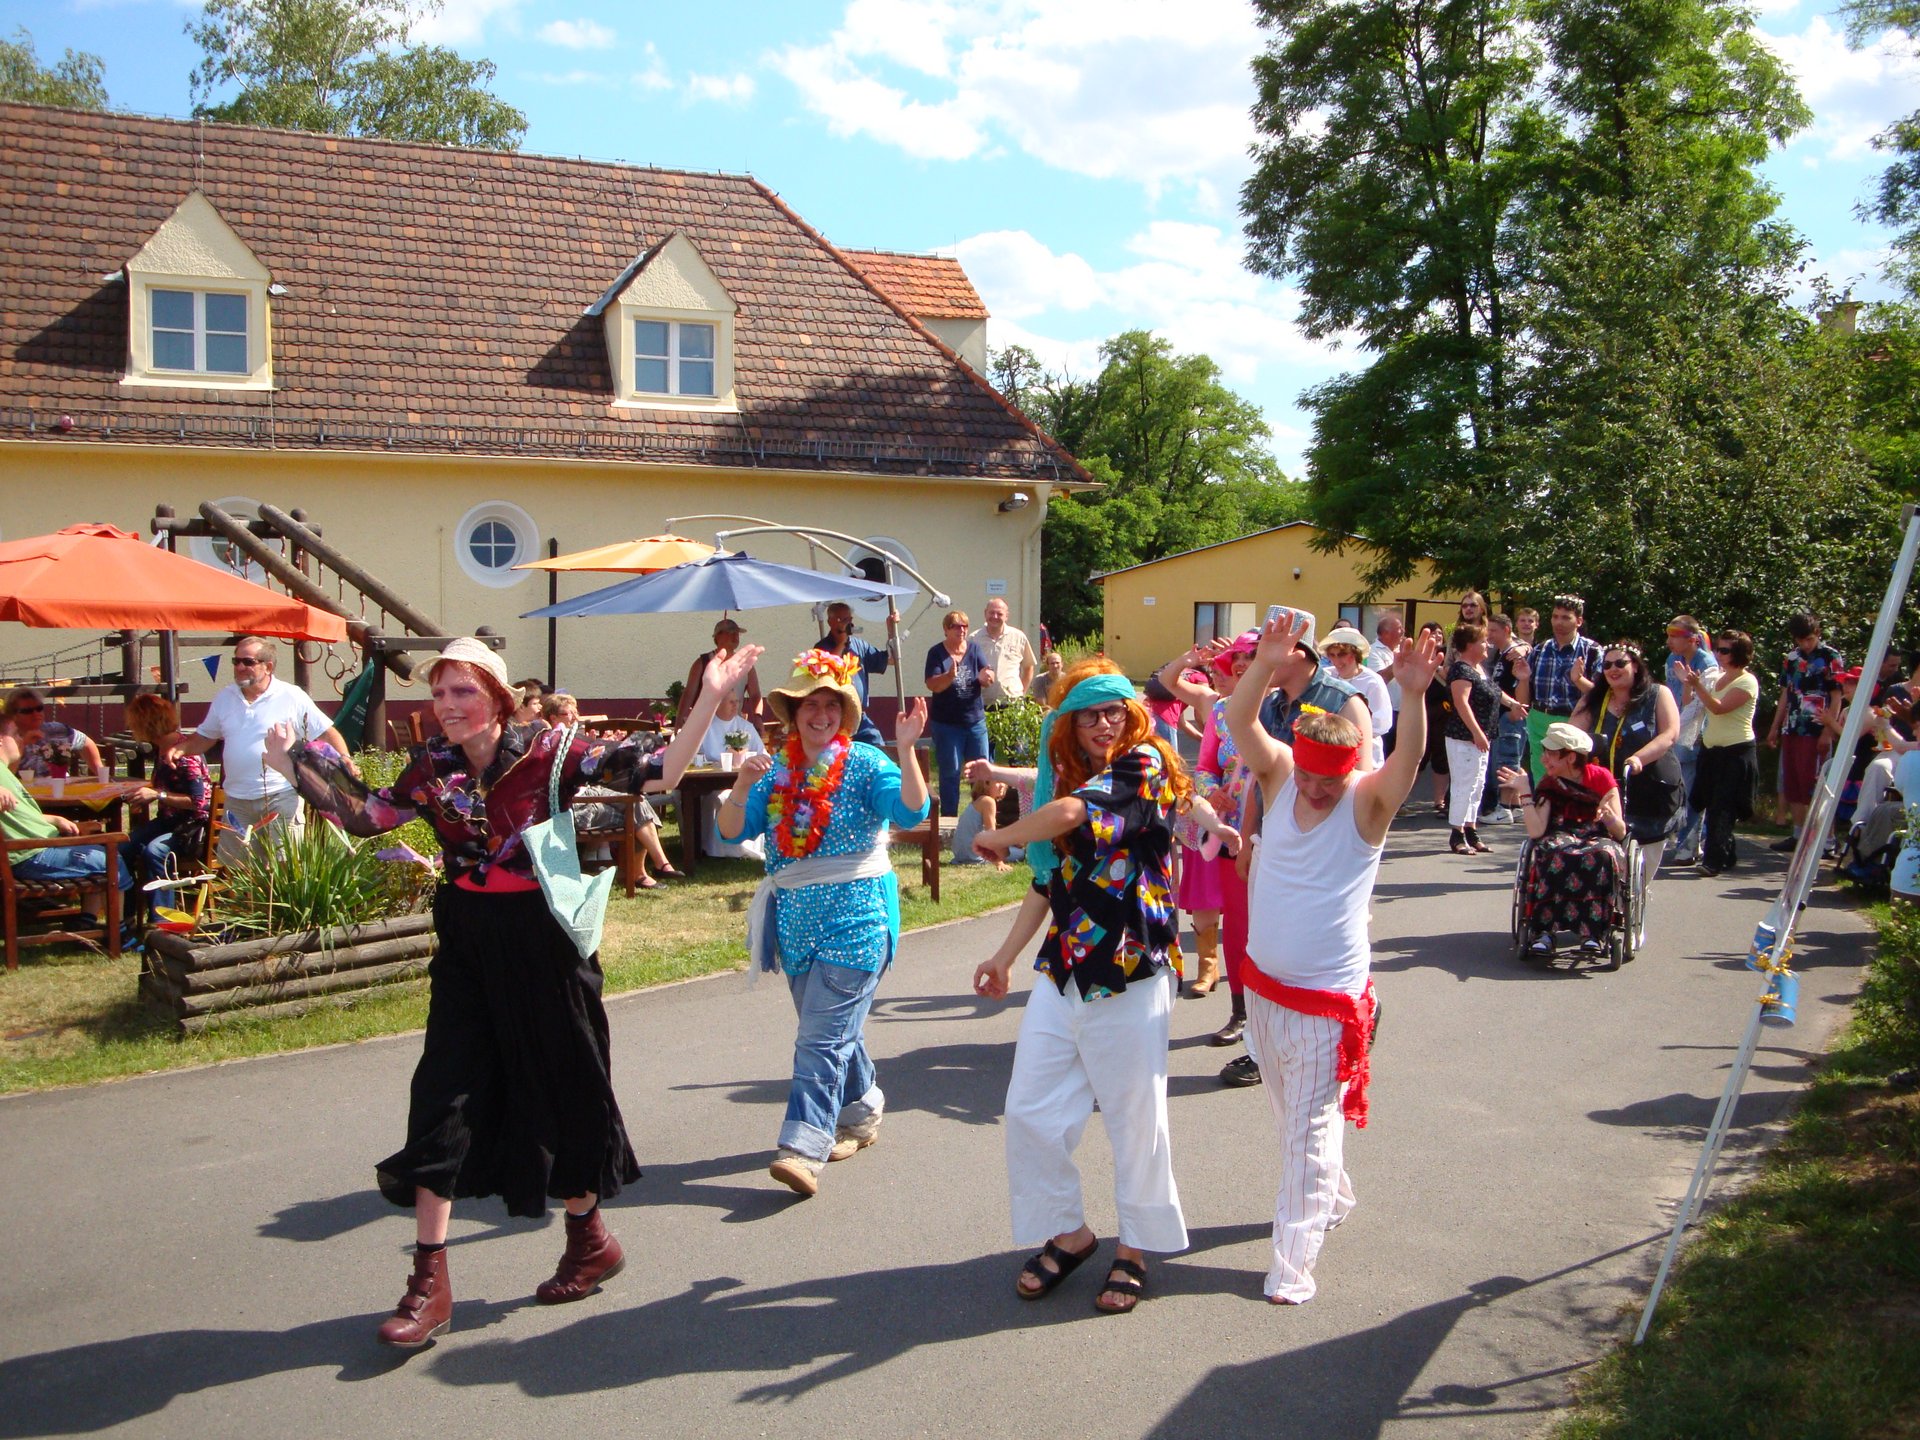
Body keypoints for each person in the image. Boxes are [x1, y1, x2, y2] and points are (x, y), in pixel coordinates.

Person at [265, 636, 759, 1348]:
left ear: (497, 698)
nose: (447, 707)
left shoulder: (553, 752)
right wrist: (296, 763)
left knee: (568, 1089)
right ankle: (428, 1282)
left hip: (544, 942)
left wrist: (710, 696)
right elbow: (369, 816)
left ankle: (588, 1236)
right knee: (443, 1097)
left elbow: (656, 776)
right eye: (438, 695)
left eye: (462, 692)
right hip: (468, 943)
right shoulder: (431, 765)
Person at [969, 657, 1238, 1315]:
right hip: (1064, 970)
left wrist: (997, 833)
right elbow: (1048, 882)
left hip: (1131, 968)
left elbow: (1065, 815)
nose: (1105, 722)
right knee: (1030, 1108)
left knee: (1133, 1118)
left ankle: (1136, 1249)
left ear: (1132, 714)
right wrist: (1003, 957)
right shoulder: (1068, 776)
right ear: (1067, 722)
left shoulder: (1139, 767)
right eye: (1091, 712)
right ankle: (1071, 1233)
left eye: (1115, 709)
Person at [1222, 609, 1440, 1304]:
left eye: (1330, 779)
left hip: (1325, 1005)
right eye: (1311, 776)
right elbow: (1237, 722)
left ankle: (1292, 1264)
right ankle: (1334, 1197)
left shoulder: (1366, 802)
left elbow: (1405, 763)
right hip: (1263, 991)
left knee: (1309, 1132)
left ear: (1349, 769)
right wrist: (1265, 661)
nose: (1316, 790)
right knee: (1294, 1122)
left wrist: (1411, 695)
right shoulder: (1282, 774)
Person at [718, 650, 930, 1197]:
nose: (820, 714)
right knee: (834, 1030)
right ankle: (860, 1113)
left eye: (830, 705)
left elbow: (911, 811)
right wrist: (741, 786)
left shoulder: (865, 761)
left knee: (818, 1038)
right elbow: (730, 830)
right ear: (793, 712)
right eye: (809, 704)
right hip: (796, 923)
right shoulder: (776, 768)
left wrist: (906, 751)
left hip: (859, 915)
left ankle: (802, 1148)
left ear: (844, 713)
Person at [1155, 632, 1262, 1009]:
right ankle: (1211, 969)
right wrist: (1211, 789)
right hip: (1217, 817)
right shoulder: (1217, 707)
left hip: (1266, 823)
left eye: (1242, 667)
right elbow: (1204, 765)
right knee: (1209, 895)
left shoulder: (1280, 707)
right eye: (1230, 667)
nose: (1223, 675)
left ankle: (1256, 981)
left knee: (1257, 907)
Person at [177, 638, 352, 859]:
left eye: (248, 662)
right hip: (237, 800)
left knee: (284, 868)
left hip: (279, 796)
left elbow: (326, 731)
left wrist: (344, 757)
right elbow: (205, 737)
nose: (240, 667)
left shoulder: (291, 695)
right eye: (236, 661)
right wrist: (181, 749)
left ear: (268, 666)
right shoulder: (225, 697)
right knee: (239, 872)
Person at [1572, 644, 1683, 945]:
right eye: (1607, 665)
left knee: (1642, 862)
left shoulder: (1657, 694)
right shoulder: (1594, 699)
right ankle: (1601, 911)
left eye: (1620, 663)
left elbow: (1670, 734)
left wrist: (1638, 758)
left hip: (1650, 786)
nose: (1612, 669)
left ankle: (1632, 912)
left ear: (1636, 665)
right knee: (1600, 852)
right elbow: (1572, 735)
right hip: (1603, 789)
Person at [1502, 723, 1630, 958]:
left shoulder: (1601, 778)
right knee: (1551, 852)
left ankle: (1592, 933)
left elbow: (1621, 833)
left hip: (1597, 835)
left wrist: (1609, 816)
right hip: (1560, 833)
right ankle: (1545, 931)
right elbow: (1536, 830)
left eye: (1550, 754)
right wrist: (1525, 793)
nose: (1544, 760)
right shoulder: (1549, 783)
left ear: (1570, 757)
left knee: (1603, 855)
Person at [541, 693, 682, 886]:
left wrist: (604, 745)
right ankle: (647, 871)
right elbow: (577, 772)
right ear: (553, 718)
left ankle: (653, 868)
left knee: (635, 800)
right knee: (634, 808)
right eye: (568, 713)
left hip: (589, 792)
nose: (574, 717)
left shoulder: (574, 738)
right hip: (572, 803)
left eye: (576, 712)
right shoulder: (551, 741)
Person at [0, 753, 134, 932]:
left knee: (97, 851)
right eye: (16, 734)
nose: (21, 739)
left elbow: (22, 816)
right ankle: (120, 933)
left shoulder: (4, 770)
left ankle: (86, 921)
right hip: (30, 855)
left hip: (37, 848)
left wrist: (54, 819)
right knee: (111, 860)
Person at [1681, 631, 1761, 876]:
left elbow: (1718, 708)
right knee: (1703, 799)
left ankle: (1713, 861)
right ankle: (1726, 852)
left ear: (1739, 654)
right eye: (1718, 649)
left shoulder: (1747, 682)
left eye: (1725, 651)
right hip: (1712, 749)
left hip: (1736, 752)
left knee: (1722, 806)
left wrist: (1697, 686)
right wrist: (1688, 683)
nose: (1718, 654)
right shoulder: (1717, 678)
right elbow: (1690, 704)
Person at [1766, 613, 1844, 852]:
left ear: (1817, 634)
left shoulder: (1831, 657)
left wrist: (1828, 732)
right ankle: (1798, 834)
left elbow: (1836, 696)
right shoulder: (1791, 658)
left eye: (1809, 639)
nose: (1806, 645)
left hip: (1817, 728)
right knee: (1794, 783)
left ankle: (1825, 839)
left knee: (1817, 784)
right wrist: (1774, 728)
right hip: (1793, 726)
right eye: (1801, 640)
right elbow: (1785, 695)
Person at [123, 693, 213, 888]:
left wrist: (158, 795)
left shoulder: (183, 754)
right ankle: (126, 913)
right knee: (122, 847)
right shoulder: (163, 748)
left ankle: (163, 915)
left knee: (155, 851)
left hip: (191, 827)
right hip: (168, 821)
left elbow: (199, 802)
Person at [1516, 596, 1601, 782]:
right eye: (1555, 617)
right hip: (1539, 719)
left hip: (1573, 720)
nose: (1559, 622)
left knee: (1571, 777)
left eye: (1565, 617)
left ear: (1578, 621)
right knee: (1542, 779)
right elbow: (1523, 700)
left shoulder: (1592, 651)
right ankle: (1543, 811)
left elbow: (1600, 696)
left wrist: (1578, 680)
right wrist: (1523, 680)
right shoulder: (1539, 650)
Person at [924, 610, 996, 818]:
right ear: (946, 629)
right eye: (956, 626)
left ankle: (981, 817)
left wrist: (987, 677)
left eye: (964, 626)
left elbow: (986, 673)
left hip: (974, 722)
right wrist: (948, 676)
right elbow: (933, 685)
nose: (961, 630)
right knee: (950, 773)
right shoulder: (936, 653)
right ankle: (949, 821)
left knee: (981, 772)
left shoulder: (974, 649)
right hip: (947, 725)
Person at [1443, 623, 1502, 854]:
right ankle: (1456, 833)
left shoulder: (1479, 669)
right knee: (1464, 784)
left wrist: (1513, 704)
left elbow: (1493, 691)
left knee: (1478, 784)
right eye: (1482, 641)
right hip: (1464, 738)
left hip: (1481, 737)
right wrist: (1477, 732)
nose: (1486, 644)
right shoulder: (1461, 670)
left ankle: (1470, 828)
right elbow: (1461, 703)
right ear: (1469, 645)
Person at [1664, 617, 1715, 865]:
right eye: (1669, 635)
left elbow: (1696, 705)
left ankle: (1690, 844)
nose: (1669, 641)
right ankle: (1678, 836)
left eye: (1675, 636)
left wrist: (1688, 683)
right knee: (1676, 787)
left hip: (1694, 734)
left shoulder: (1706, 663)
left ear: (1692, 639)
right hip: (1673, 730)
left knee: (1692, 790)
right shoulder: (1671, 660)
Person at [695, 690, 768, 860]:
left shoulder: (745, 727)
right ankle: (711, 847)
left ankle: (742, 847)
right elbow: (696, 757)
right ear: (718, 704)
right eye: (731, 702)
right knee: (715, 798)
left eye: (737, 701)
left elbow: (763, 755)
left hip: (744, 780)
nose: (736, 705)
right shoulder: (705, 727)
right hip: (709, 783)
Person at [816, 601, 896, 747]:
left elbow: (891, 660)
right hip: (835, 715)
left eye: (850, 619)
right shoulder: (822, 647)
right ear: (831, 622)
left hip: (859, 714)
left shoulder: (859, 645)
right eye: (843, 620)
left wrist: (891, 631)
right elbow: (827, 668)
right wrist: (841, 643)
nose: (848, 624)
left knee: (878, 747)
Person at [1482, 613, 1530, 824]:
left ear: (1507, 631)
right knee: (1512, 760)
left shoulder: (1514, 654)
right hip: (1502, 714)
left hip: (1510, 716)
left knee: (1506, 762)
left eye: (1493, 630)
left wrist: (1513, 710)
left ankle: (1503, 808)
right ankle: (1517, 805)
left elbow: (1521, 682)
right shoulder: (1502, 655)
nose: (1489, 634)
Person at [1320, 627, 1393, 768]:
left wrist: (1343, 731)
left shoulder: (1373, 681)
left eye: (1342, 654)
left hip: (1364, 759)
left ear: (1355, 653)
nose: (1336, 661)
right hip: (1330, 757)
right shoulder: (1325, 676)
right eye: (1332, 655)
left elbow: (1382, 723)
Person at [678, 617, 763, 727]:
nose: (735, 636)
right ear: (718, 636)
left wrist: (758, 717)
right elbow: (688, 694)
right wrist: (679, 722)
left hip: (734, 725)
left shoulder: (746, 664)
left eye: (737, 633)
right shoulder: (703, 663)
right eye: (730, 632)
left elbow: (755, 695)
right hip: (705, 726)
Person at [3, 689, 106, 779]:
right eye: (27, 711)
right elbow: (5, 774)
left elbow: (86, 743)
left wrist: (99, 770)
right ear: (13, 715)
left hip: (60, 790)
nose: (36, 713)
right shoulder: (5, 739)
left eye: (39, 708)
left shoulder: (56, 730)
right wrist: (23, 744)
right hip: (25, 795)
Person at [972, 598, 1037, 709]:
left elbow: (1028, 667)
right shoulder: (974, 639)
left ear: (1006, 616)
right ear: (985, 613)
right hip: (983, 703)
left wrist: (1021, 693)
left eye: (999, 614)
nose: (995, 617)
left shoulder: (1018, 637)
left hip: (1012, 703)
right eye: (991, 612)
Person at [951, 775, 1018, 868]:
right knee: (1021, 853)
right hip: (974, 855)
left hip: (960, 854)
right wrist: (998, 862)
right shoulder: (988, 802)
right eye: (997, 782)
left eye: (1003, 782)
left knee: (1011, 846)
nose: (1002, 785)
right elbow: (991, 833)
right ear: (986, 784)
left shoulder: (978, 801)